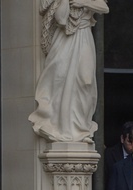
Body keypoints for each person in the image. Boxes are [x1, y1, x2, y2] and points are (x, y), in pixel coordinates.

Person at [28, 0, 108, 144]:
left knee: (86, 80)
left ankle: (81, 128)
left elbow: (104, 7)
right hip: (64, 40)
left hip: (84, 37)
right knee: (60, 79)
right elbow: (61, 19)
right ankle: (64, 129)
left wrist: (81, 2)